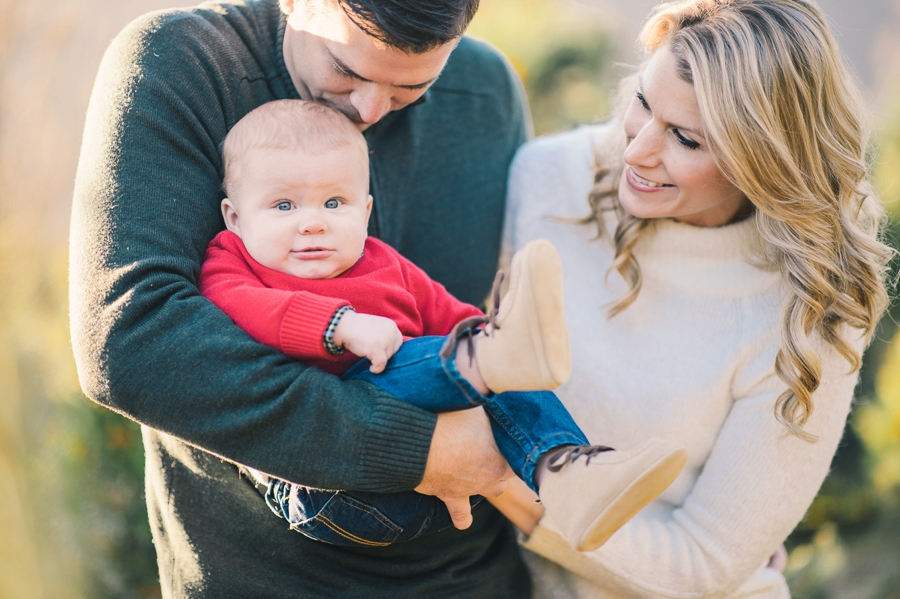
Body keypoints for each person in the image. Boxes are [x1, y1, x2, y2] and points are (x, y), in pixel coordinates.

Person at [70, 0, 534, 596]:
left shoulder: (488, 91)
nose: (369, 109)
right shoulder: (184, 62)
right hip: (267, 577)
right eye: (347, 69)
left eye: (411, 85)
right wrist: (415, 449)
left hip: (473, 574)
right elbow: (131, 336)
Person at [492, 0, 895, 597]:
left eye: (685, 139)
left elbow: (703, 565)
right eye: (643, 104)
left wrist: (494, 479)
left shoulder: (808, 308)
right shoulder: (547, 178)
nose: (636, 152)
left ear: (766, 163)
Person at [198, 98, 688, 550]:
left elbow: (451, 315)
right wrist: (339, 325)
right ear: (235, 218)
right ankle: (492, 358)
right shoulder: (233, 261)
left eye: (334, 203)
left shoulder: (384, 262)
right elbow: (239, 309)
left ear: (365, 211)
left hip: (436, 493)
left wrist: (487, 333)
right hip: (329, 486)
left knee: (501, 362)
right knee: (461, 357)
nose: (313, 223)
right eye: (284, 206)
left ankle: (568, 475)